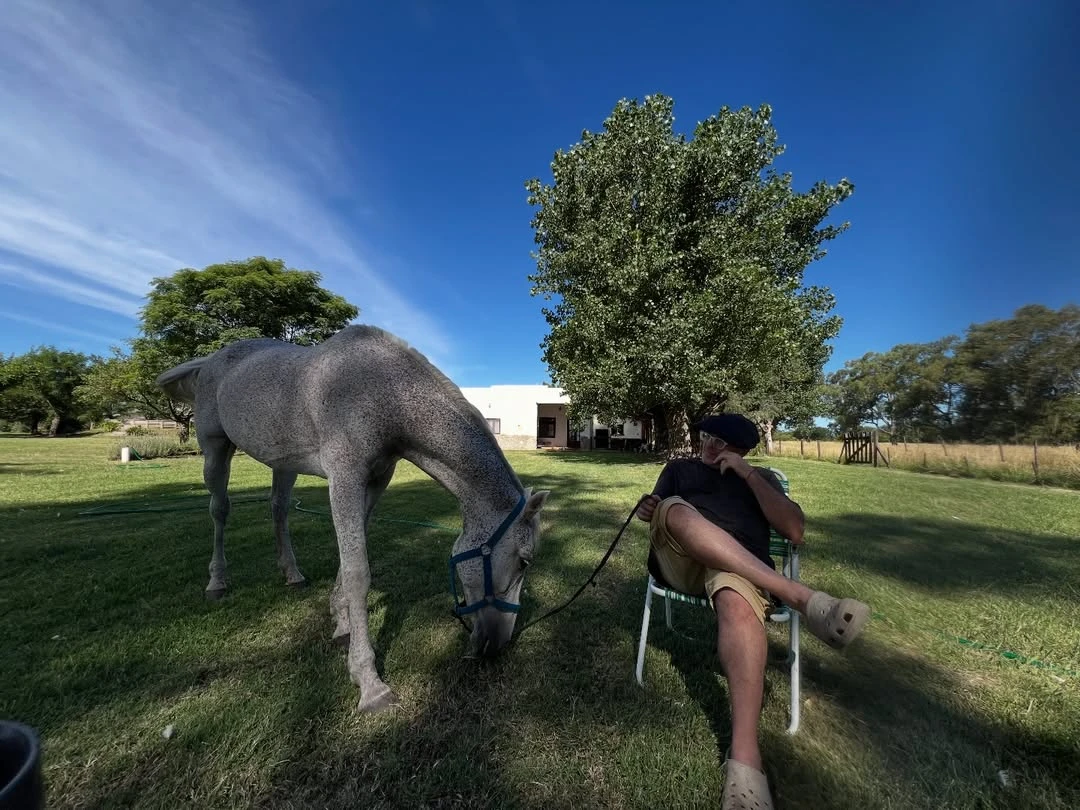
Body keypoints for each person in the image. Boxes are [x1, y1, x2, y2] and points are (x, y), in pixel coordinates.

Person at [637, 413, 870, 810]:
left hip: (737, 572)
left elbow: (794, 530)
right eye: (707, 437)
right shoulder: (679, 468)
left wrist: (748, 475)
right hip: (681, 559)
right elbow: (658, 512)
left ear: (742, 450)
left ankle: (745, 764)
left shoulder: (763, 479)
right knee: (675, 508)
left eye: (722, 443)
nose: (710, 447)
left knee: (737, 601)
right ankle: (802, 598)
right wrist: (649, 507)